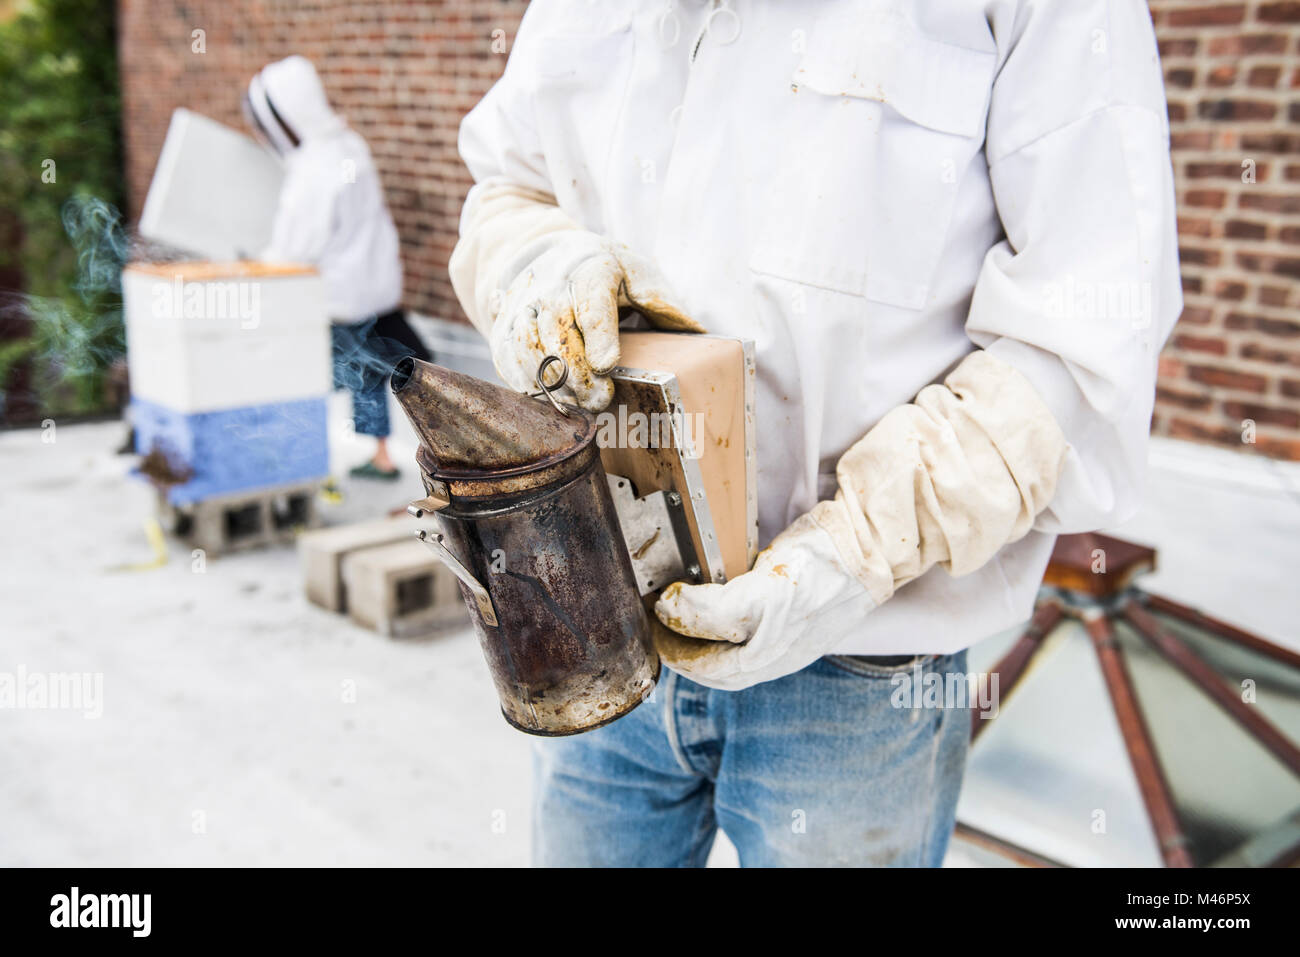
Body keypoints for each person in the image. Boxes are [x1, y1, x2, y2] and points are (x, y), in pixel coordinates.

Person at [450, 0, 1181, 866]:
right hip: (600, 610)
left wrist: (855, 550)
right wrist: (543, 267)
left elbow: (1089, 331)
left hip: (858, 671)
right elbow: (508, 187)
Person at [245, 55, 428, 480]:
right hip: (372, 290)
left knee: (302, 376)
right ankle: (381, 456)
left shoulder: (312, 170)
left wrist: (259, 261)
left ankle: (296, 461)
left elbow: (295, 249)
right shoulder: (349, 146)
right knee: (365, 374)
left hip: (336, 296)